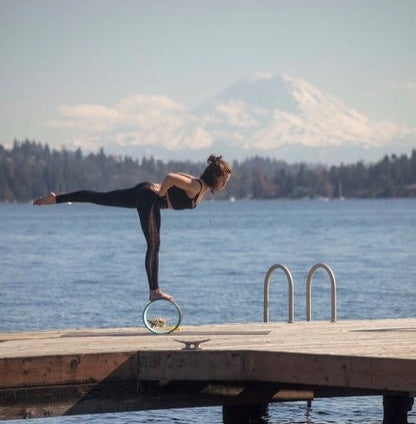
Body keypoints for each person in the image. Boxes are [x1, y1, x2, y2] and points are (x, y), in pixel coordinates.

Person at [33, 154, 232, 302]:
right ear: (215, 177)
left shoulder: (199, 186)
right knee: (154, 245)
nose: (225, 183)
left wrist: (159, 190)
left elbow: (177, 177)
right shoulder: (196, 186)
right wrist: (160, 192)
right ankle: (154, 291)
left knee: (101, 198)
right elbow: (171, 176)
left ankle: (56, 199)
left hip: (145, 192)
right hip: (148, 197)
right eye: (224, 179)